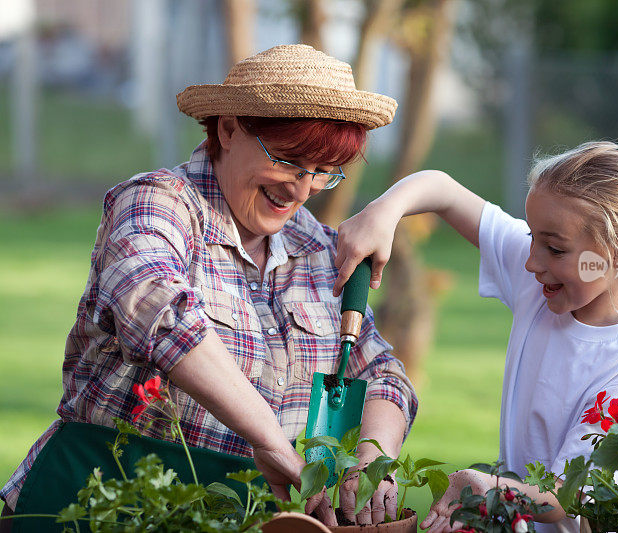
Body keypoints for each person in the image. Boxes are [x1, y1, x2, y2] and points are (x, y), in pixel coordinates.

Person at [0, 44, 417, 529]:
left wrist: (370, 460)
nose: (302, 191)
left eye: (322, 172)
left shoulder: (320, 250)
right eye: (287, 160)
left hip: (235, 516)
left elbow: (383, 372)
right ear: (228, 127)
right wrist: (270, 441)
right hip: (100, 502)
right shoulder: (157, 203)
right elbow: (161, 314)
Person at [333, 141, 618, 533]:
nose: (532, 261)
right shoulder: (546, 278)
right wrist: (384, 212)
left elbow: (577, 496)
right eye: (532, 237)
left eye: (553, 248)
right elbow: (442, 191)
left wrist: (490, 488)